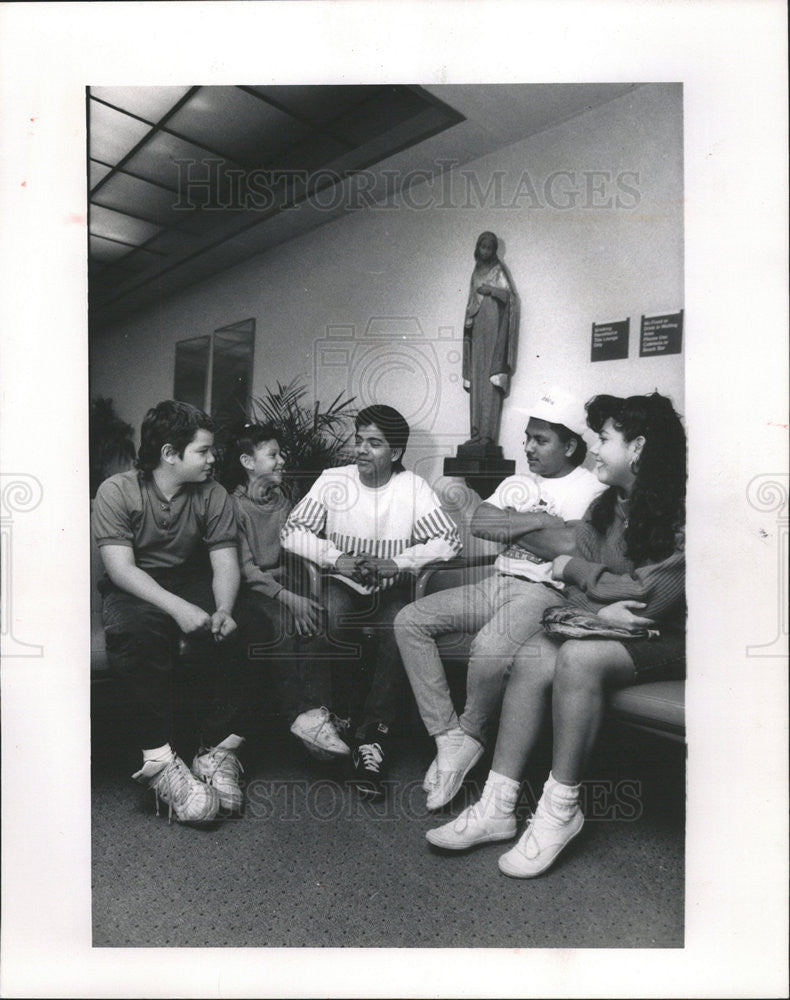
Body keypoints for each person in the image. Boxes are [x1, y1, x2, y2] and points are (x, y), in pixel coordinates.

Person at [424, 392, 686, 879]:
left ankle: (560, 810)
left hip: (668, 640)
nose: (595, 449)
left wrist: (579, 573)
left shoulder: (679, 511)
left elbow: (653, 600)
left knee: (577, 660)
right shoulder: (609, 506)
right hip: (617, 629)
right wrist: (594, 590)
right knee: (534, 653)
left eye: (604, 440)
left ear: (638, 447)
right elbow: (576, 589)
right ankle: (498, 805)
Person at [395, 386, 606, 809]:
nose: (527, 447)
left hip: (545, 592)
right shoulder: (518, 481)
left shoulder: (591, 489)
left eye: (540, 440)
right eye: (527, 437)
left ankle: (472, 732)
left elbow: (571, 544)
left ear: (570, 445)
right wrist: (539, 520)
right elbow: (480, 521)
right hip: (495, 581)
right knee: (409, 621)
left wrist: (519, 525)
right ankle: (449, 736)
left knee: (490, 645)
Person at [281, 404, 462, 798]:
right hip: (341, 582)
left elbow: (450, 540)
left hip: (391, 588)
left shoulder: (412, 487)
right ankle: (317, 718)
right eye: (359, 440)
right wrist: (337, 558)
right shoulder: (334, 480)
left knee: (400, 626)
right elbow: (292, 530)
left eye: (374, 443)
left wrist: (397, 562)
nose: (362, 450)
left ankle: (372, 738)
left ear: (395, 453)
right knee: (324, 613)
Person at [92, 400, 246, 825]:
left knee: (241, 625)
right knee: (137, 634)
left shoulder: (213, 494)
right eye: (203, 451)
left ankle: (215, 752)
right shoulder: (116, 490)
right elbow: (121, 569)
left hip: (189, 579)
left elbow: (225, 563)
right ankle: (159, 762)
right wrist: (178, 609)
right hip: (135, 586)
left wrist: (225, 609)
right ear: (169, 454)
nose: (213, 459)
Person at [224, 422, 349, 760]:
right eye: (273, 455)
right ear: (248, 462)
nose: (282, 461)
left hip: (290, 583)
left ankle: (317, 716)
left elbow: (300, 549)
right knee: (281, 624)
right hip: (256, 591)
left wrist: (303, 595)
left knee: (315, 619)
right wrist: (290, 599)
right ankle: (301, 717)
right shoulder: (232, 507)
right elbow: (247, 570)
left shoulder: (284, 500)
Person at [462, 231, 519, 445]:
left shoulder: (498, 270)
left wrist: (490, 290)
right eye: (482, 246)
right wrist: (468, 320)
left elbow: (509, 297)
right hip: (477, 329)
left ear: (494, 250)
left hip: (494, 329)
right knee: (477, 380)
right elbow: (471, 299)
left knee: (489, 381)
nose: (485, 250)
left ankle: (487, 435)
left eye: (488, 247)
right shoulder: (475, 271)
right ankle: (475, 434)